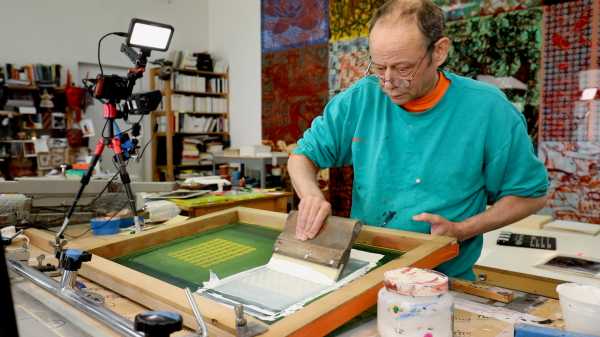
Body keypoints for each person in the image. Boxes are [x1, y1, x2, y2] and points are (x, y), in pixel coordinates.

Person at [288, 0, 548, 280]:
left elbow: (529, 196)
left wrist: (462, 230)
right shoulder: (363, 98)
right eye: (378, 67)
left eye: (403, 68)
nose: (387, 82)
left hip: (443, 282)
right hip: (363, 275)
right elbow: (302, 157)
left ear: (439, 51)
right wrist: (311, 196)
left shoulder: (488, 110)